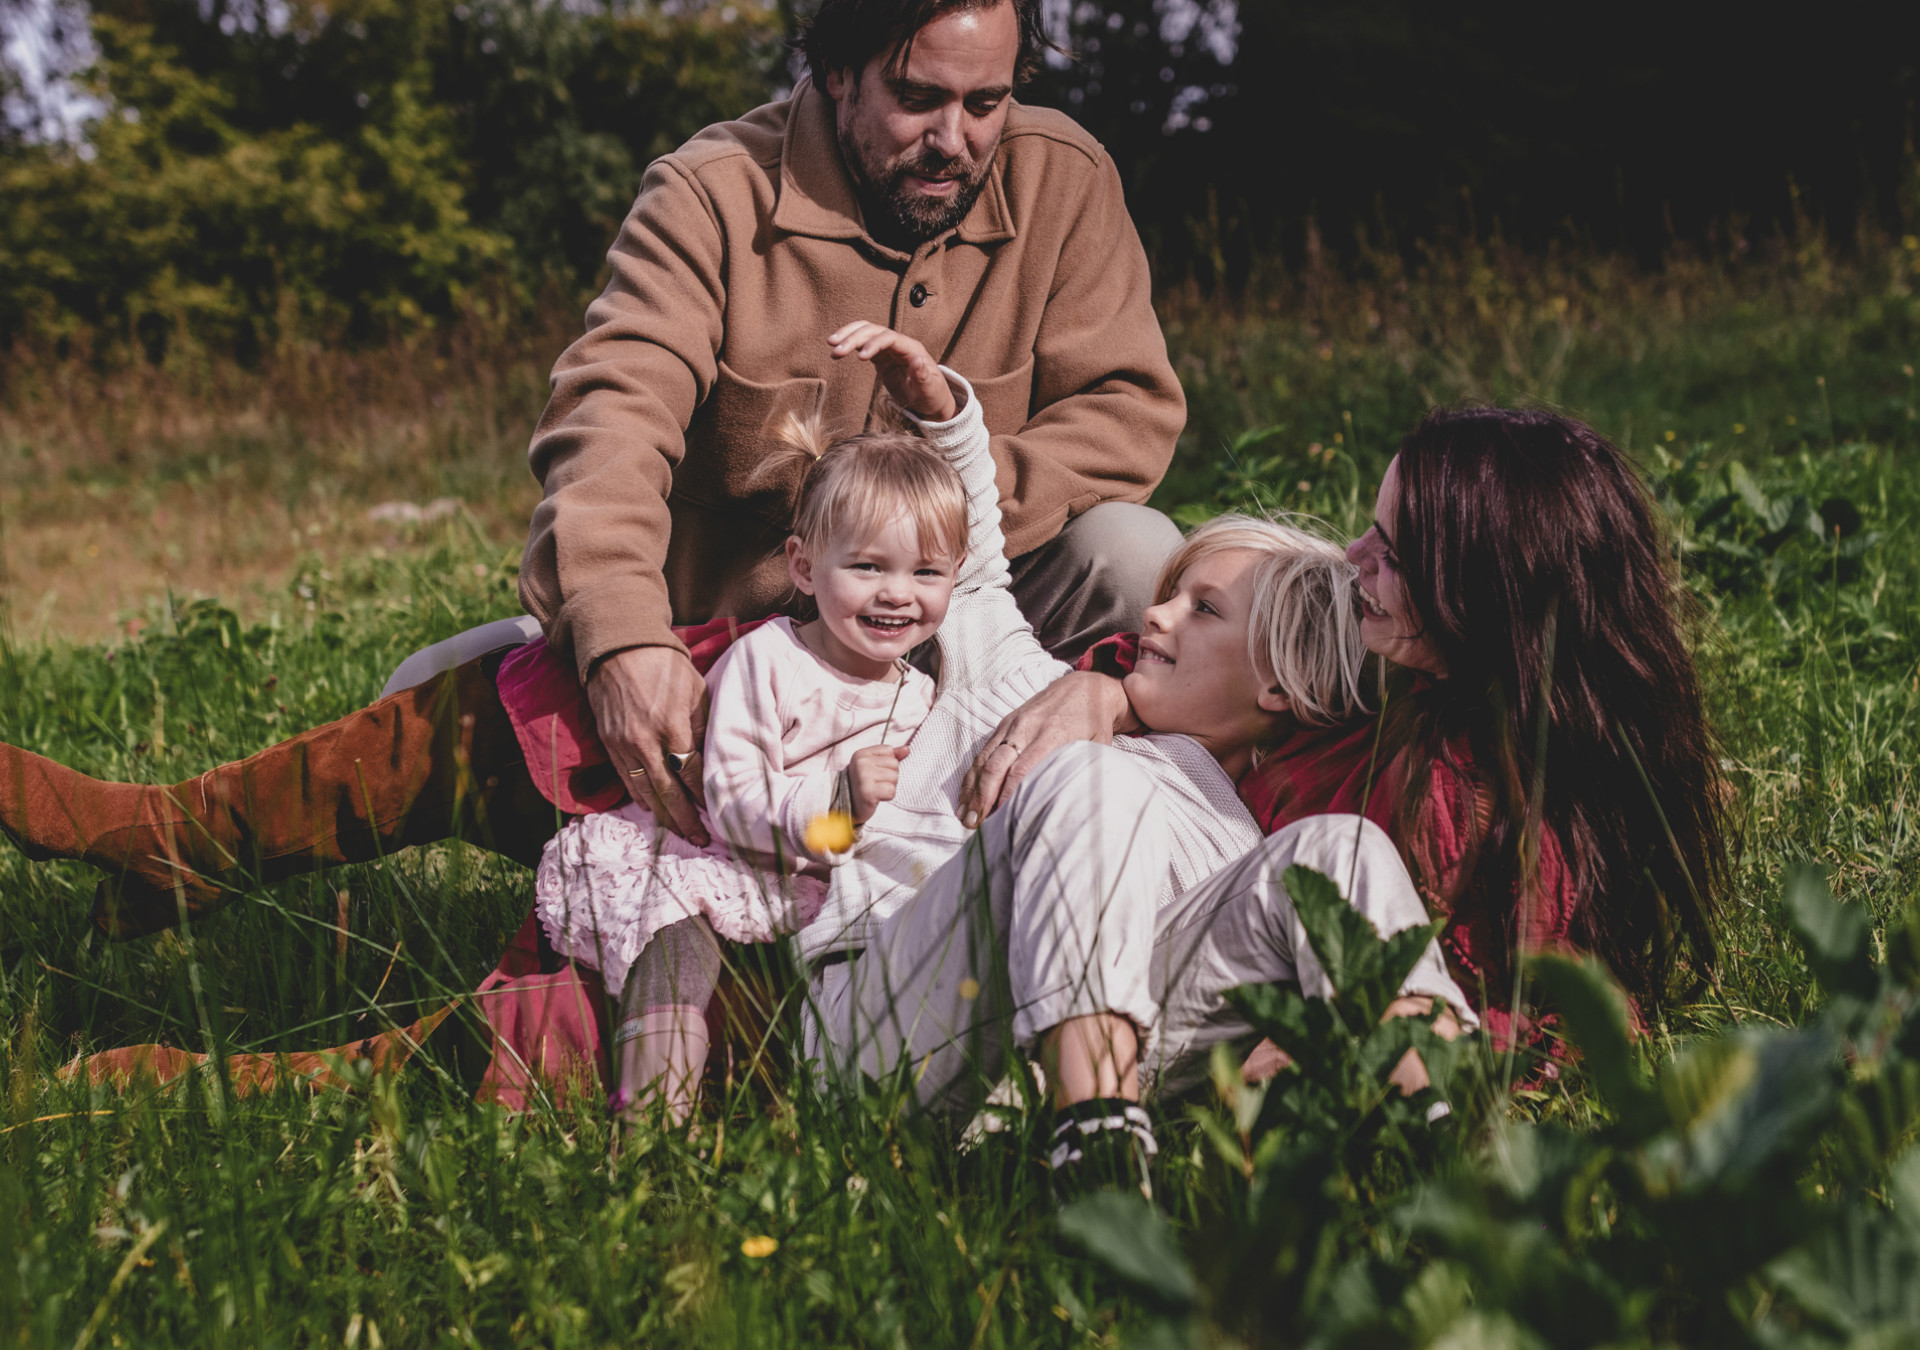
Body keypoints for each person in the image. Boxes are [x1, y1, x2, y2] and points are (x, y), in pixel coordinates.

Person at [0, 0, 1186, 939]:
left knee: (1136, 553)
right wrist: (621, 638)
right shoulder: (710, 192)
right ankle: (179, 851)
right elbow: (608, 421)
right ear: (834, 71)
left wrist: (914, 532)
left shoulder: (1065, 181)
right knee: (426, 695)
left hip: (966, 639)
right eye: (920, 97)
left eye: (990, 100)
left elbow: (1130, 410)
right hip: (718, 659)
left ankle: (999, 871)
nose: (959, 137)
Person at [787, 378, 1478, 1196]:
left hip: (1036, 1074)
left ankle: (1438, 1120)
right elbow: (970, 572)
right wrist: (946, 416)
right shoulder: (1024, 682)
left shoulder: (1234, 841)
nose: (1155, 618)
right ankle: (1099, 1147)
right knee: (1090, 776)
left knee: (1343, 851)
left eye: (1204, 611)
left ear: (1279, 689)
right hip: (882, 1024)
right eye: (1168, 598)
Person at [953, 408, 1730, 1065]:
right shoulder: (1390, 677)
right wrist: (1111, 685)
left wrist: (1341, 1048)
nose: (1354, 558)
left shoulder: (1479, 805)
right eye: (1372, 527)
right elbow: (1231, 666)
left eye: (1391, 554)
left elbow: (1554, 1016)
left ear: (1480, 598)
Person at [536, 322, 968, 1125]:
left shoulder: (924, 691)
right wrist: (834, 802)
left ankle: (844, 1093)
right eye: (867, 566)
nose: (897, 595)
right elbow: (730, 800)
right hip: (733, 864)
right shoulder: (769, 662)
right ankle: (651, 1119)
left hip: (834, 904)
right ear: (805, 566)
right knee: (677, 936)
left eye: (927, 573)